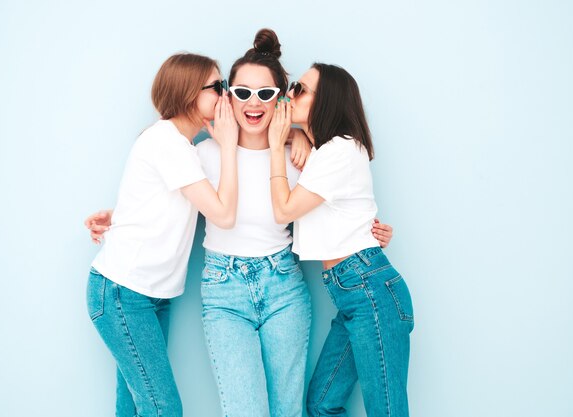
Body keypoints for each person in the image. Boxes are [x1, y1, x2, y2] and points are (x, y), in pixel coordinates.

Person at [85, 29, 394, 417]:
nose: (253, 102)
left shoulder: (303, 157)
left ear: (281, 99)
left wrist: (373, 230)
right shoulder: (198, 153)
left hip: (284, 286)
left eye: (266, 93)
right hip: (223, 290)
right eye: (241, 91)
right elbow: (166, 201)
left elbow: (340, 210)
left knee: (287, 411)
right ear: (228, 96)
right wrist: (117, 219)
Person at [86, 52, 238, 417]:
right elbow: (223, 214)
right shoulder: (166, 142)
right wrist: (229, 146)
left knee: (135, 407)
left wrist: (119, 214)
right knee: (162, 408)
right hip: (125, 293)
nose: (225, 96)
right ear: (189, 93)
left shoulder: (177, 146)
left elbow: (158, 199)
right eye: (217, 87)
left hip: (149, 295)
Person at [268, 63, 414, 417]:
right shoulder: (326, 150)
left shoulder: (341, 150)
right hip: (354, 291)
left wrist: (277, 148)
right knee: (321, 403)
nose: (289, 95)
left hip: (368, 291)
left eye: (299, 89)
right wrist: (296, 135)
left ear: (327, 99)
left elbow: (285, 209)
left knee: (387, 411)